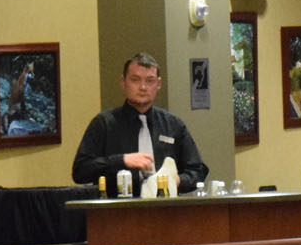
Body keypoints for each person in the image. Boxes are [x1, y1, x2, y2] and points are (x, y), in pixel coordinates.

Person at [72, 52, 209, 195]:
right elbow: (80, 171)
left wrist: (175, 180)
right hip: (117, 211)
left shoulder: (173, 125)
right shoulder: (104, 124)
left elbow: (198, 170)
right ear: (123, 82)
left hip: (166, 209)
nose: (143, 87)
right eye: (135, 80)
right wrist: (122, 160)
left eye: (150, 81)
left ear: (158, 84)